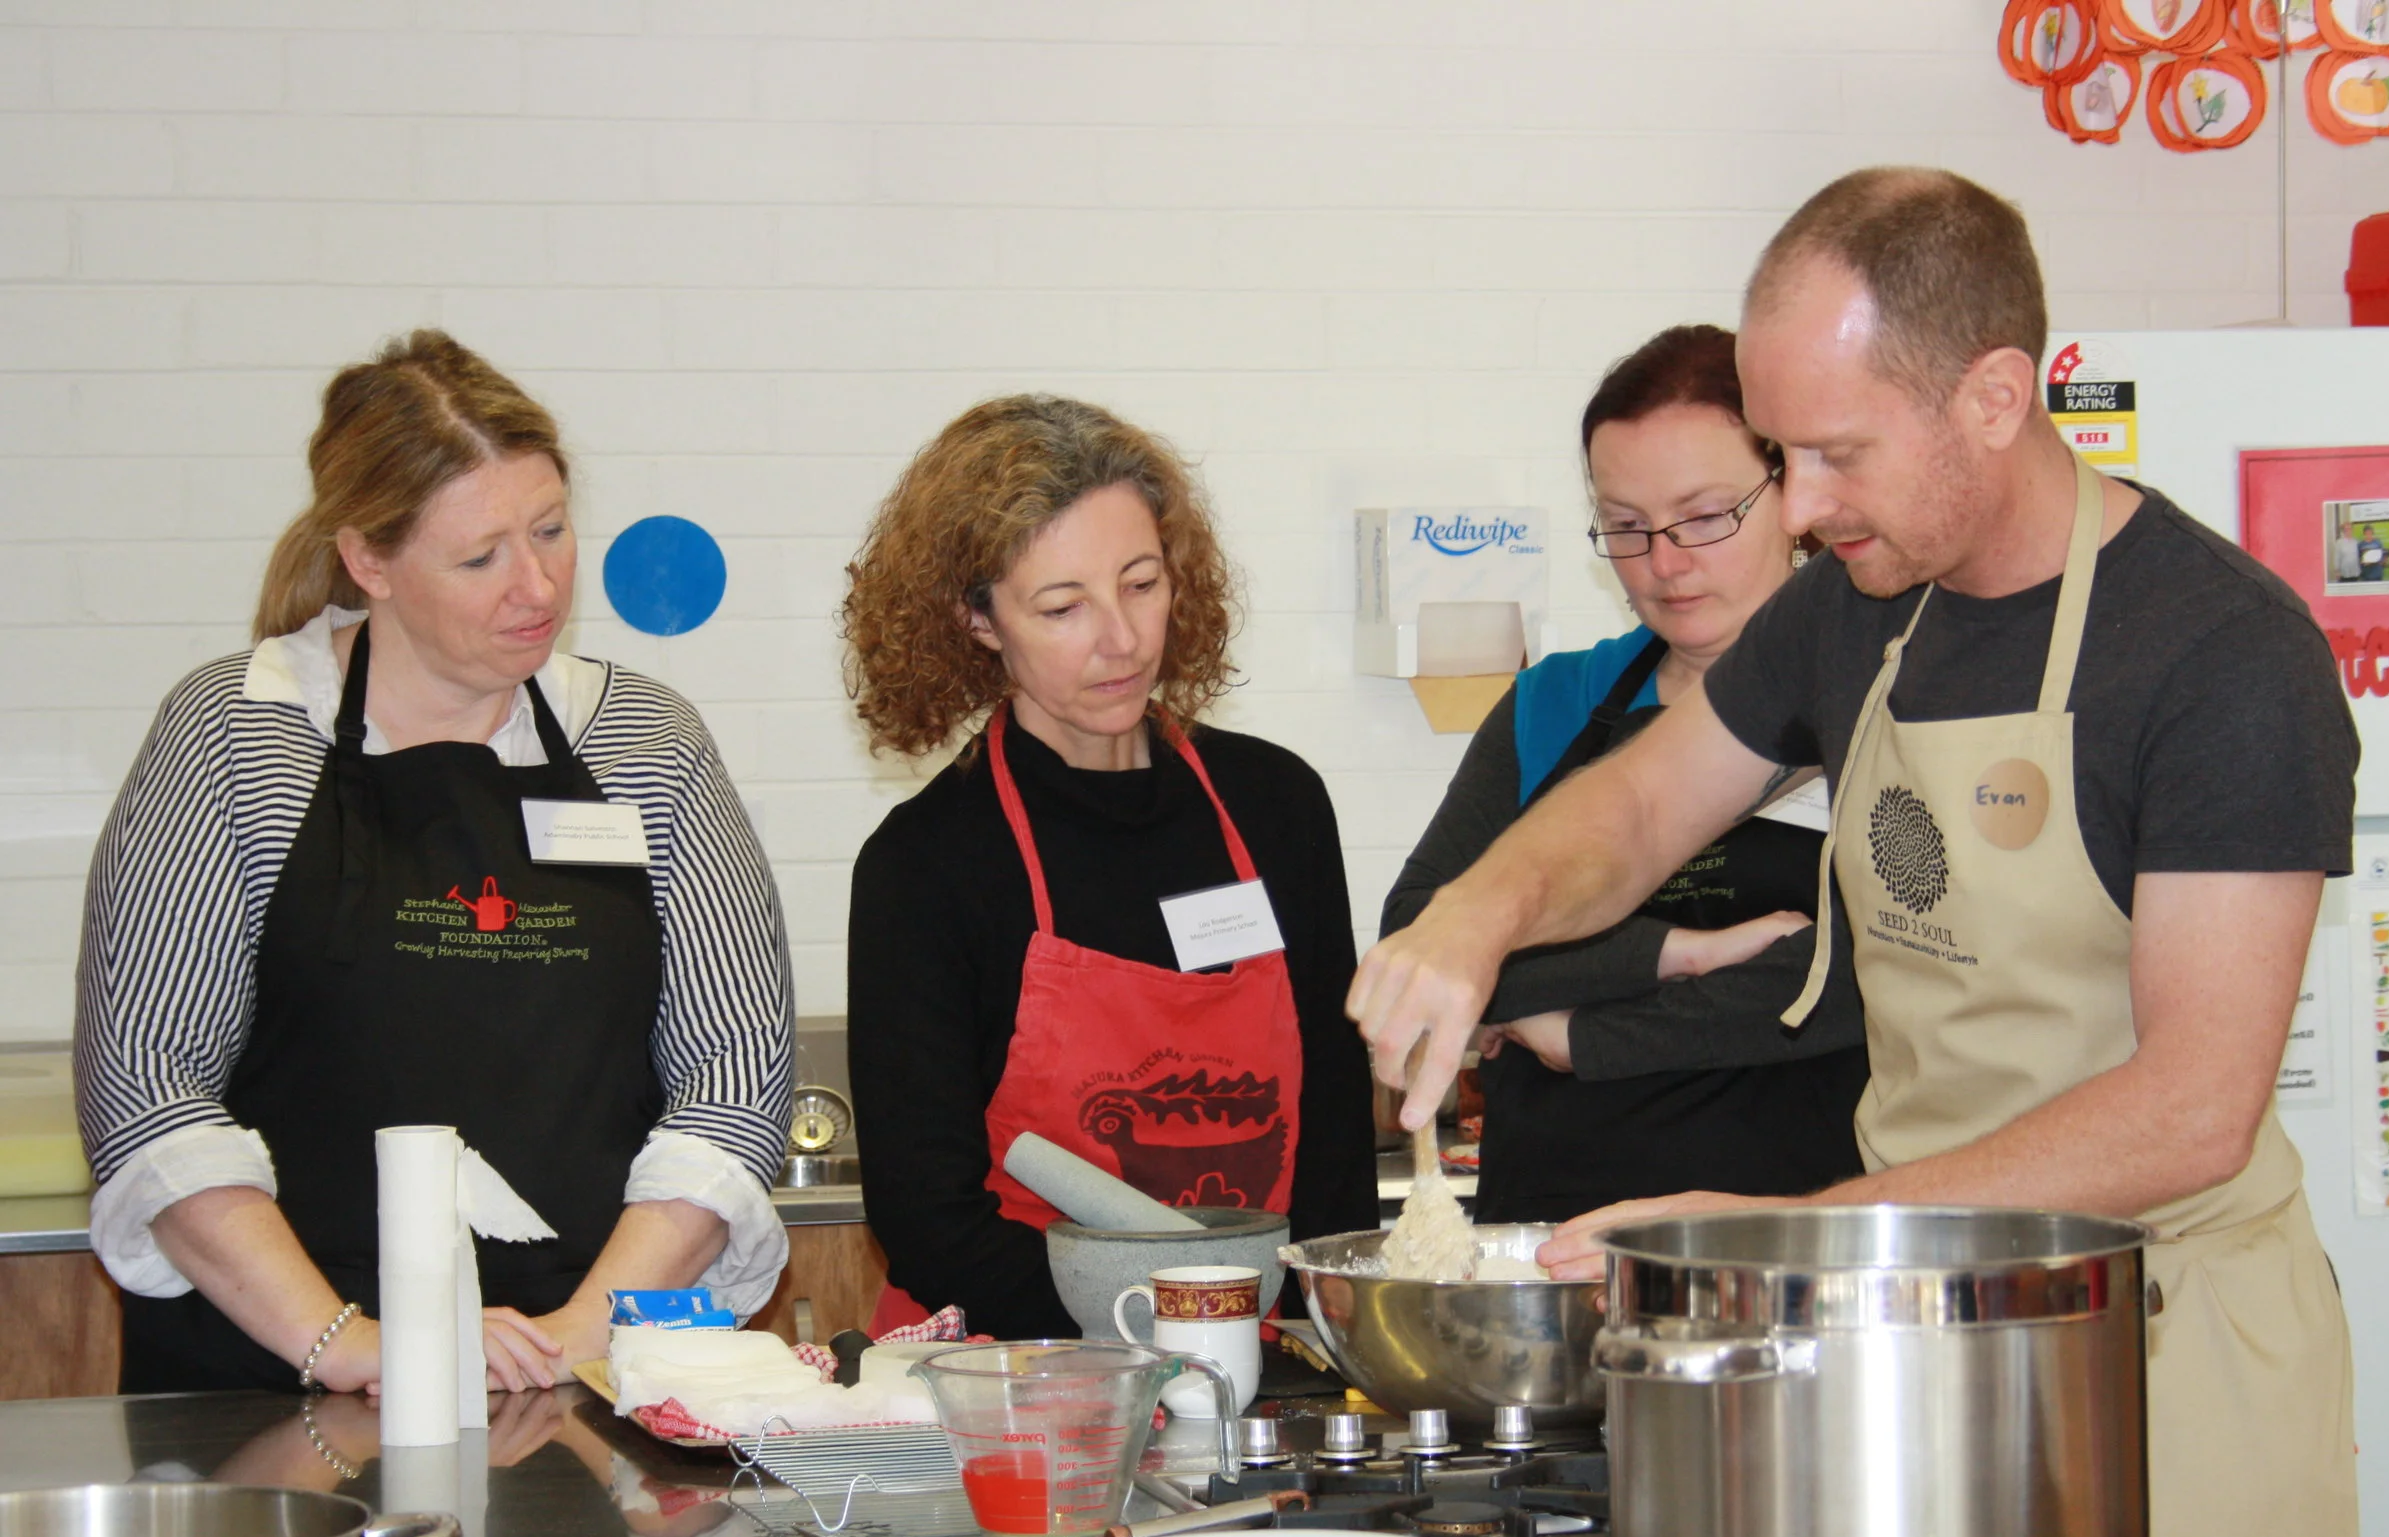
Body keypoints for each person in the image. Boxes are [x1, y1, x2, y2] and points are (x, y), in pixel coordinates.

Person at [1347, 169, 2361, 1537]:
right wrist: (1472, 914)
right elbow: (1634, 810)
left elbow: (2192, 1107)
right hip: (1912, 1334)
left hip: (2159, 1335)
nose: (1803, 508)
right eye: (1783, 454)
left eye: (1835, 453)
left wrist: (1794, 1242)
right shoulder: (1855, 610)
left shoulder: (2221, 655)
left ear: (1997, 397)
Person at [76, 331, 796, 1396]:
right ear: (369, 560)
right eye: (480, 557)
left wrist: (572, 1339)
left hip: (586, 1372)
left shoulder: (646, 741)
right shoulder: (239, 732)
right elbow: (146, 1082)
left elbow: (733, 1077)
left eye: (551, 530)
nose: (538, 583)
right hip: (278, 1390)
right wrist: (351, 1345)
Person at [842, 394, 1375, 1339]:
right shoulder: (928, 864)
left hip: (1254, 1355)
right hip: (1017, 1373)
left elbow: (1333, 1138)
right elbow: (927, 1216)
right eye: (1063, 606)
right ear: (977, 620)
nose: (1122, 639)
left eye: (1141, 583)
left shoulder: (1277, 806)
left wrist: (1323, 1336)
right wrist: (1160, 1324)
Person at [1381, 325, 1866, 1225]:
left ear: (1791, 490)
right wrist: (1682, 954)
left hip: (1793, 1231)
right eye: (1627, 526)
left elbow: (1861, 978)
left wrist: (1568, 1031)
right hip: (1550, 1233)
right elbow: (1421, 929)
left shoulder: (1880, 704)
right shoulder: (1556, 702)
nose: (1665, 562)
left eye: (1706, 515)